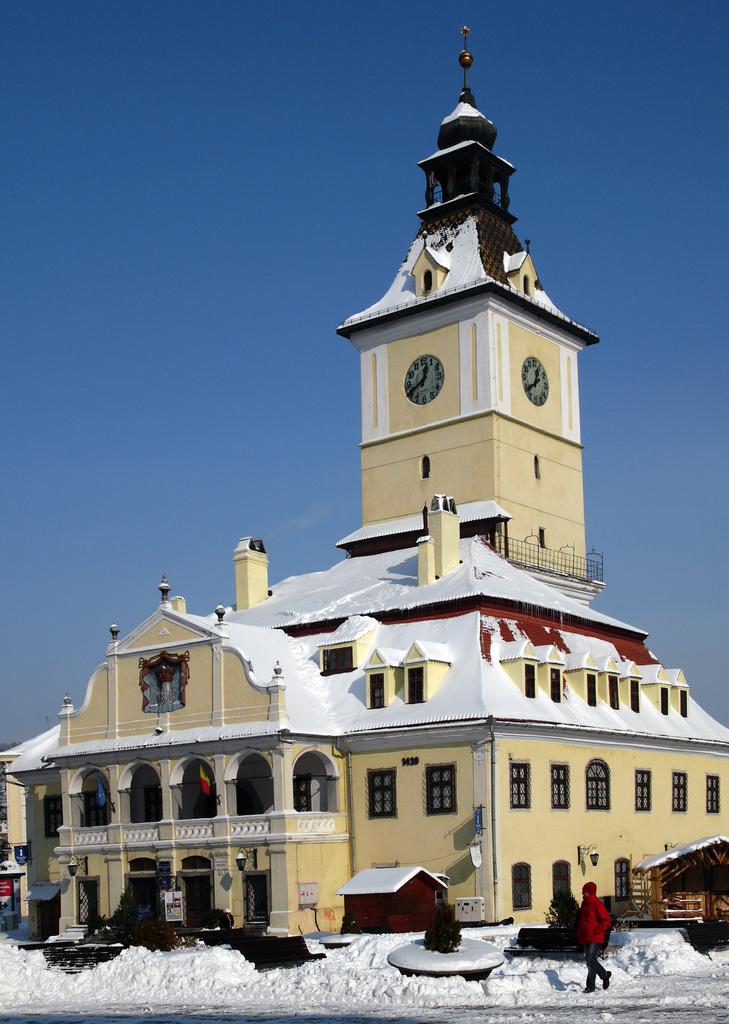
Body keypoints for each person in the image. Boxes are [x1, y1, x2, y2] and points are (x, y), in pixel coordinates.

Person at [576, 881, 612, 993]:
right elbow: (582, 921)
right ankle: (591, 986)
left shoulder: (597, 904)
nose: (583, 893)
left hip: (596, 937)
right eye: (583, 891)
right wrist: (580, 932)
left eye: (585, 891)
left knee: (590, 960)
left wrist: (596, 930)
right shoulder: (584, 904)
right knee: (589, 962)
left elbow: (607, 921)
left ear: (591, 892)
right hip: (586, 937)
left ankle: (604, 975)